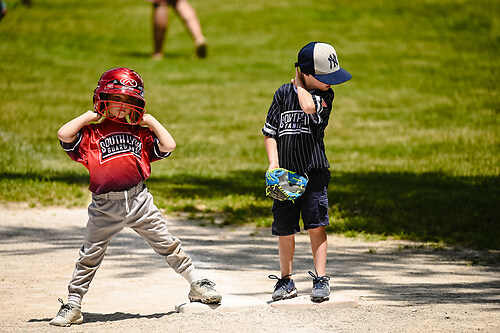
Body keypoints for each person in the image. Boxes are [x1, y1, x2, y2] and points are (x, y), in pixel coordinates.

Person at [50, 67, 221, 326]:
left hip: (140, 201)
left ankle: (196, 282)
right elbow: (64, 134)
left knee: (167, 243)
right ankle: (73, 303)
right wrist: (89, 116)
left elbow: (169, 145)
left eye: (128, 101)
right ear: (101, 101)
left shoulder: (141, 134)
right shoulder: (92, 134)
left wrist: (149, 120)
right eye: (115, 100)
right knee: (90, 254)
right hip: (104, 207)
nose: (121, 107)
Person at [262, 42, 351, 303]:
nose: (330, 82)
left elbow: (308, 107)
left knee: (316, 226)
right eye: (325, 77)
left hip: (314, 171)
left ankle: (321, 278)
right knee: (285, 229)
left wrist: (300, 84)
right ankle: (286, 279)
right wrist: (273, 163)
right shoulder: (281, 94)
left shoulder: (325, 96)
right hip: (284, 174)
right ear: (306, 71)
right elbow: (270, 132)